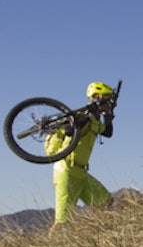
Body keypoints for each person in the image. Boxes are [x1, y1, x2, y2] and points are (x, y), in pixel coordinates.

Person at [45, 81, 115, 231]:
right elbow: (70, 130)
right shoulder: (80, 115)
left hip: (82, 173)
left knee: (106, 202)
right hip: (66, 171)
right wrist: (90, 113)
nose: (109, 102)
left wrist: (108, 116)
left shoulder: (96, 120)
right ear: (97, 98)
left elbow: (107, 133)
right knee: (62, 222)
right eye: (107, 99)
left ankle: (101, 235)